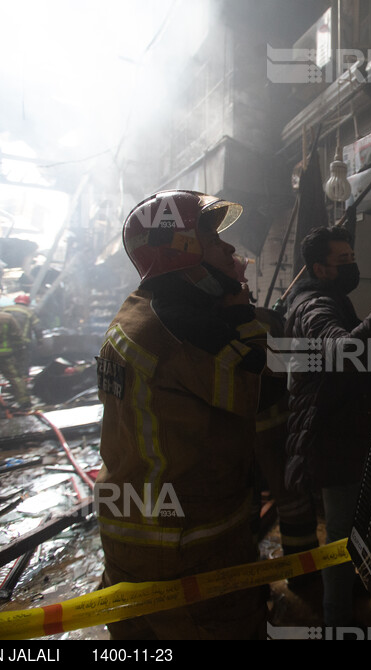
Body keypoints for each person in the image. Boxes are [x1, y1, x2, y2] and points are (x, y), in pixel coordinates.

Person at [96, 190, 283, 640]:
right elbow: (258, 386)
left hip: (137, 541)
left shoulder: (142, 310)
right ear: (182, 252)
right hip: (185, 554)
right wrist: (244, 317)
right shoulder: (182, 328)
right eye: (214, 239)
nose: (230, 250)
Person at [284, 226, 371, 626]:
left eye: (353, 258)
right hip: (331, 436)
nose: (352, 267)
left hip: (342, 433)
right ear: (319, 268)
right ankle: (336, 618)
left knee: (346, 528)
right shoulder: (313, 304)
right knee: (339, 532)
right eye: (343, 261)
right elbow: (345, 352)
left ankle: (343, 596)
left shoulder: (330, 297)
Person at [1, 294, 43, 374]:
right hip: (22, 342)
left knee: (7, 364)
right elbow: (37, 328)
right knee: (23, 364)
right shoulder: (29, 312)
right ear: (27, 303)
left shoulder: (4, 309)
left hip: (4, 342)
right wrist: (40, 341)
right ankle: (22, 379)